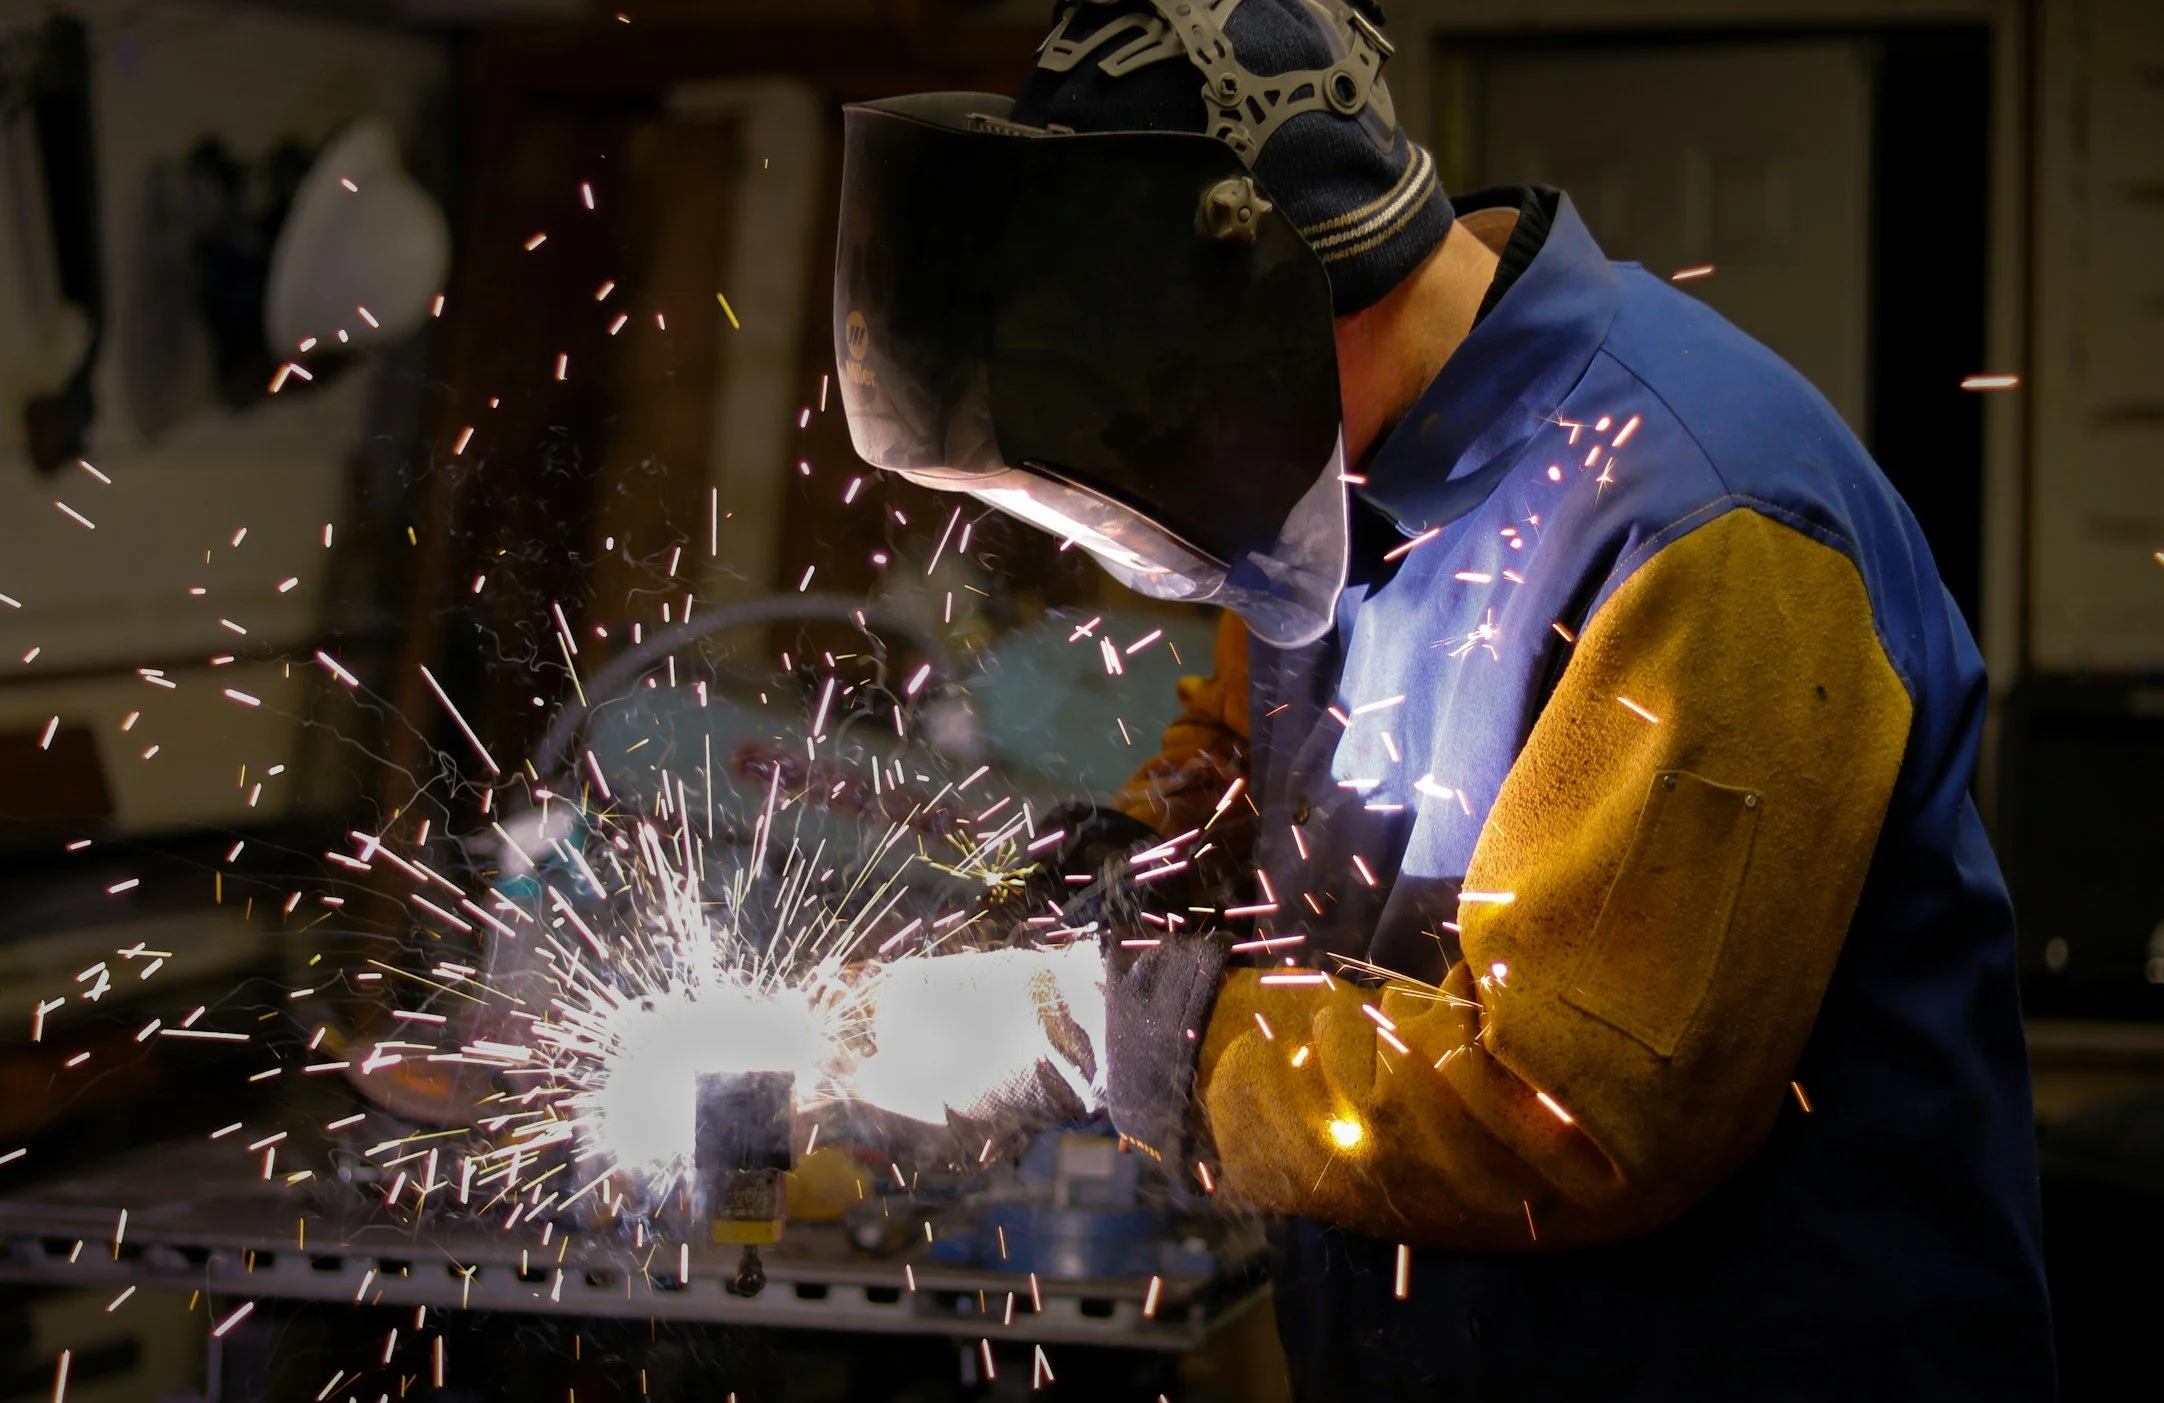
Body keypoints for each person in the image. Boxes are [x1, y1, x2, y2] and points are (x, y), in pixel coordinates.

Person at [829, 1, 2055, 1396]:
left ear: (1300, 297)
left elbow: (1571, 1113)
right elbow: (1253, 749)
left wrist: (1107, 1026)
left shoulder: (1714, 536)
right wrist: (1116, 880)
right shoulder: (1333, 464)